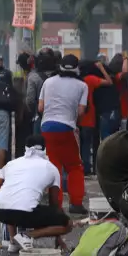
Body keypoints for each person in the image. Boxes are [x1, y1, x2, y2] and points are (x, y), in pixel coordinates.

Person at [0, 135, 73, 251]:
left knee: (13, 199)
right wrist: (58, 236)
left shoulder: (12, 164)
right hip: (25, 213)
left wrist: (10, 190)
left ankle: (13, 242)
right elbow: (54, 205)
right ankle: (27, 235)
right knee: (68, 224)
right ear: (45, 149)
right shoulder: (51, 168)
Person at [38, 54, 89, 215]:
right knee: (74, 166)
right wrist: (75, 122)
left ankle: (55, 206)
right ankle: (76, 203)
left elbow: (40, 108)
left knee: (54, 168)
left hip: (47, 127)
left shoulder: (48, 82)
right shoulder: (82, 86)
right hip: (67, 128)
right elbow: (81, 111)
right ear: (77, 68)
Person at [78, 60, 114, 176]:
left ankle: (82, 167)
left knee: (80, 143)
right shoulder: (90, 79)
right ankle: (91, 168)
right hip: (89, 115)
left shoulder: (76, 80)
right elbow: (109, 82)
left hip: (76, 116)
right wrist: (101, 68)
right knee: (90, 143)